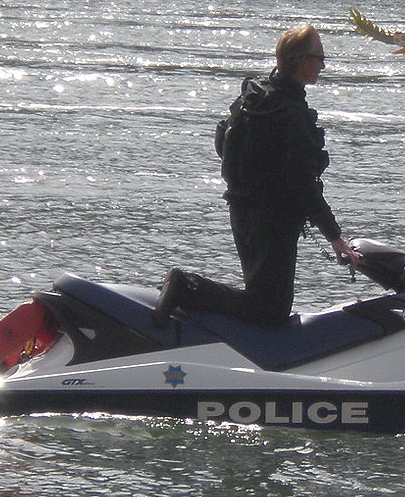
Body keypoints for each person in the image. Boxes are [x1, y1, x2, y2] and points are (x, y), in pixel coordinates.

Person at [152, 24, 360, 328]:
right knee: (270, 309)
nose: (323, 65)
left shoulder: (254, 99)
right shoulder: (292, 115)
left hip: (241, 210)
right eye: (319, 57)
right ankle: (187, 286)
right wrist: (335, 237)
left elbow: (224, 142)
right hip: (272, 222)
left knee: (259, 299)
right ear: (302, 62)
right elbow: (303, 185)